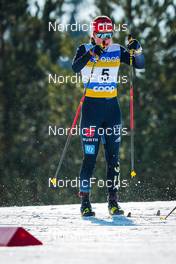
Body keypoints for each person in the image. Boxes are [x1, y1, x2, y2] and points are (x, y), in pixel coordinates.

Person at [72, 16, 144, 217]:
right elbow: (75, 68)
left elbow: (139, 64)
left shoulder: (116, 49)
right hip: (91, 111)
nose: (105, 38)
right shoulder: (84, 48)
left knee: (114, 159)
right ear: (93, 35)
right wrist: (92, 53)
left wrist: (137, 50)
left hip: (111, 110)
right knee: (90, 158)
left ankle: (113, 202)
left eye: (108, 34)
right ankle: (85, 202)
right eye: (100, 34)